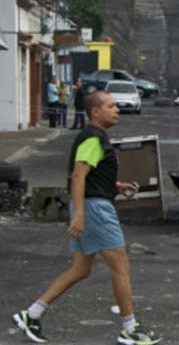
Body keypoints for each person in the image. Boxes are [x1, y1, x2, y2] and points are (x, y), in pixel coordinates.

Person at [12, 91, 162, 345]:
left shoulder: (96, 138)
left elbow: (90, 175)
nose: (116, 110)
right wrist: (80, 215)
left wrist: (116, 186)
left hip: (92, 205)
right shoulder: (93, 138)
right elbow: (79, 177)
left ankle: (32, 314)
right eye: (111, 106)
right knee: (121, 268)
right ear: (95, 111)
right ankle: (130, 329)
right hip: (94, 210)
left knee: (81, 269)